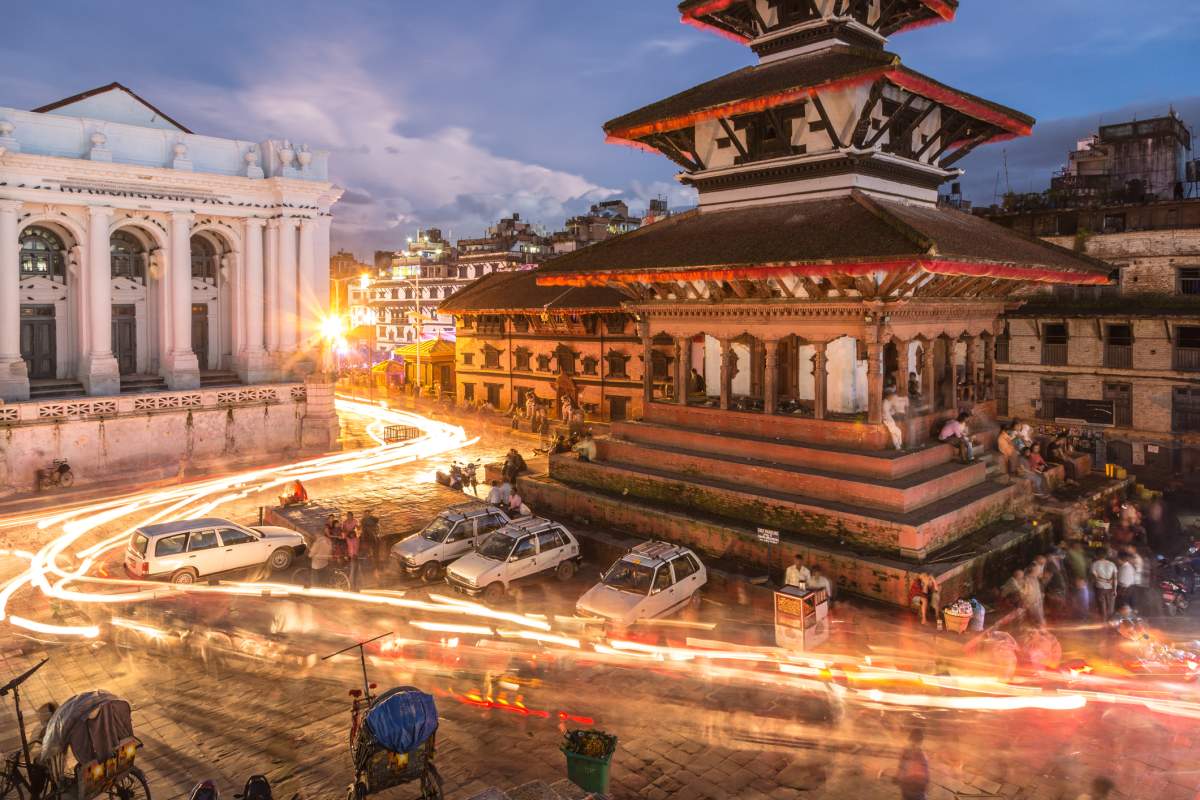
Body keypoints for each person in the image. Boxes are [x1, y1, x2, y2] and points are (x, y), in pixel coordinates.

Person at [894, 728, 930, 800]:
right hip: (918, 785)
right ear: (921, 741)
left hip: (908, 784)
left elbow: (901, 766)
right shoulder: (922, 754)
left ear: (910, 739)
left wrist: (897, 777)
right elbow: (925, 771)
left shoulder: (906, 752)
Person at [1090, 550, 1118, 620]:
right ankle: (1110, 622)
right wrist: (1115, 589)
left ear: (1097, 556)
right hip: (1110, 588)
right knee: (1110, 607)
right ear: (1106, 556)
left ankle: (1103, 622)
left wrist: (1103, 580)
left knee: (1102, 606)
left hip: (1100, 587)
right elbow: (1115, 578)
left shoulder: (1095, 564)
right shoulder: (1112, 564)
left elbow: (1095, 578)